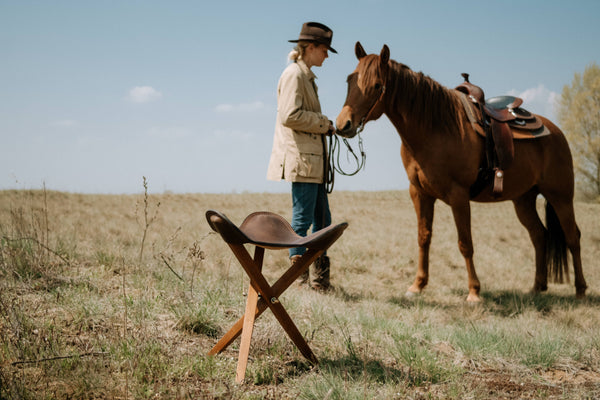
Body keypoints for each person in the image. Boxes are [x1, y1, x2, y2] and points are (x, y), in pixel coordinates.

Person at [266, 22, 337, 291]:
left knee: (322, 222)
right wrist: (323, 122)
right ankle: (296, 282)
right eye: (324, 49)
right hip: (303, 161)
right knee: (302, 220)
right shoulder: (294, 75)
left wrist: (324, 125)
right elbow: (289, 116)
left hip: (312, 162)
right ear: (311, 48)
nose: (327, 56)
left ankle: (318, 283)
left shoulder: (304, 75)